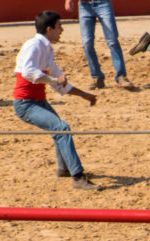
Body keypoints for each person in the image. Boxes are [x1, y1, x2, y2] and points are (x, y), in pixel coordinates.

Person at [12, 11, 99, 190]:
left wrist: (85, 95)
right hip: (26, 104)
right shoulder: (34, 45)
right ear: (49, 29)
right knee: (61, 128)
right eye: (59, 26)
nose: (62, 30)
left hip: (36, 101)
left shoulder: (45, 48)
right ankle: (78, 177)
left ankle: (64, 169)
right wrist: (54, 80)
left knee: (59, 130)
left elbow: (60, 83)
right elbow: (30, 73)